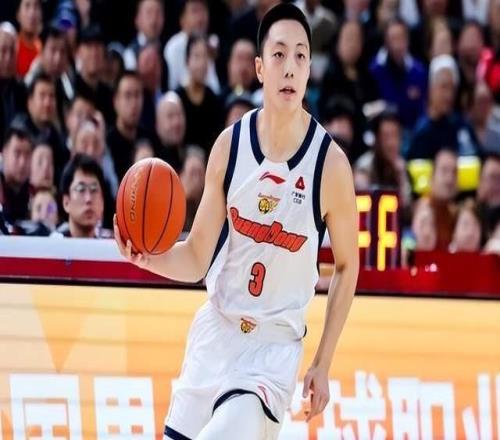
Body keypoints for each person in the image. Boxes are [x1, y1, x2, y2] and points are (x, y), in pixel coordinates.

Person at [115, 4, 359, 439]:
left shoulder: (331, 165)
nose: (290, 67)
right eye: (279, 55)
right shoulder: (230, 147)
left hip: (271, 353)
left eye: (300, 56)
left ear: (309, 70)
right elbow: (197, 257)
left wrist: (322, 362)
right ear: (260, 68)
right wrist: (146, 258)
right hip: (216, 333)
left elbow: (347, 264)